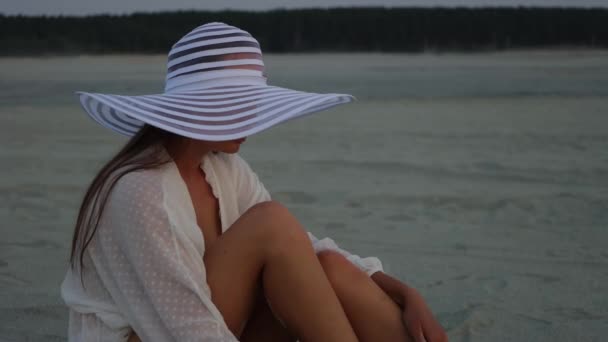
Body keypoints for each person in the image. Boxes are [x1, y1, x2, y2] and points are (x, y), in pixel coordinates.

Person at [60, 21, 447, 342]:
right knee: (272, 223)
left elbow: (304, 249)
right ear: (198, 104)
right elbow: (183, 326)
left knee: (326, 264)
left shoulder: (224, 170)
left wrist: (402, 291)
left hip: (207, 327)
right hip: (162, 335)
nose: (253, 116)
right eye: (240, 101)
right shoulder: (139, 190)